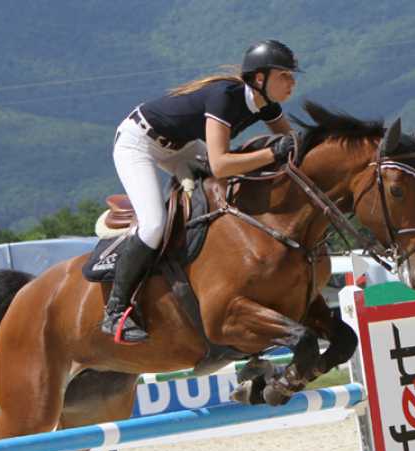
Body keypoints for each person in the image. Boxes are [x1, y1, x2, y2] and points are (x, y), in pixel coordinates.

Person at [105, 40, 300, 343]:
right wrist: (272, 153)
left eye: (291, 75)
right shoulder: (225, 97)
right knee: (154, 224)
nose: (292, 82)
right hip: (138, 142)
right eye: (284, 75)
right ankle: (116, 310)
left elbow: (295, 146)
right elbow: (220, 164)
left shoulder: (267, 107)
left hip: (181, 147)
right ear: (260, 79)